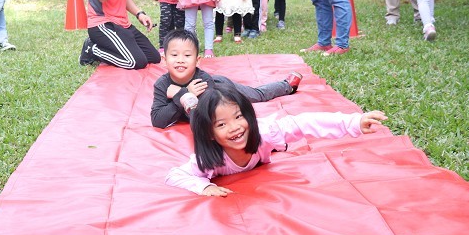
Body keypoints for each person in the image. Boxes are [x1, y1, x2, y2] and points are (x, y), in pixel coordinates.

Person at [165, 83, 387, 196]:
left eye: (239, 117)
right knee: (195, 112)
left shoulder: (265, 133)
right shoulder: (209, 159)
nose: (234, 128)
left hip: (261, 136)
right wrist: (203, 187)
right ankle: (187, 98)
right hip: (206, 123)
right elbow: (175, 174)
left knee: (273, 135)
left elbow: (304, 122)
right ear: (211, 134)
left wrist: (353, 122)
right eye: (221, 124)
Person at [151, 30, 302, 129]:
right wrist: (183, 95)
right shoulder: (162, 85)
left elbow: (202, 119)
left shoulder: (203, 81)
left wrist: (182, 94)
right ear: (164, 60)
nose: (180, 60)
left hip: (220, 87)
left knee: (257, 95)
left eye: (187, 55)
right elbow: (157, 121)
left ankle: (286, 85)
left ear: (197, 60)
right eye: (174, 55)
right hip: (195, 93)